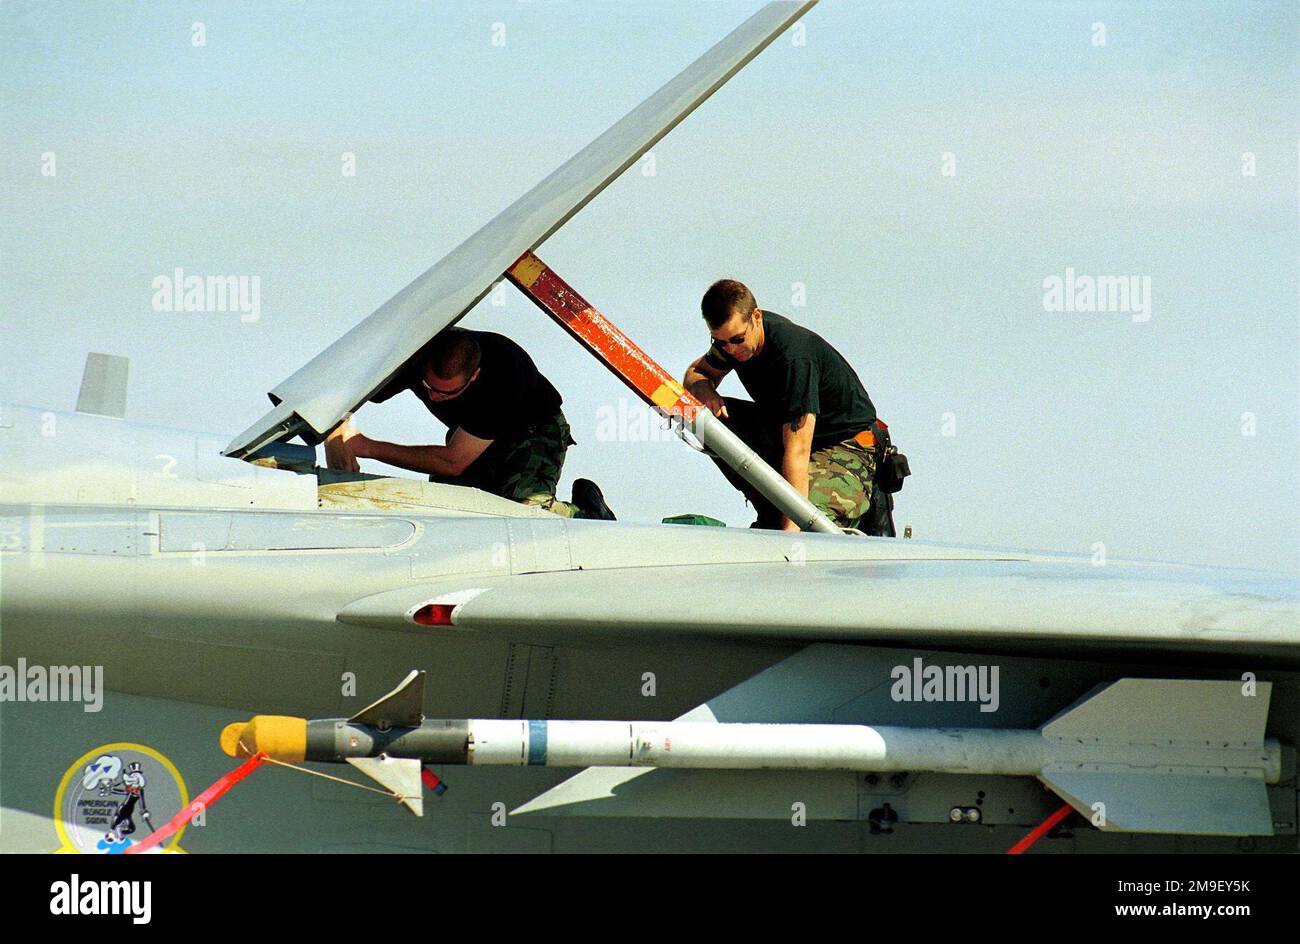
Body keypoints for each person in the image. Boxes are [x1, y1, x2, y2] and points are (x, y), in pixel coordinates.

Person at [325, 327, 614, 519]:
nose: (435, 397)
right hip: (470, 434)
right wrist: (334, 432)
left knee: (526, 512)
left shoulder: (507, 373)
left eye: (446, 392)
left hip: (533, 431)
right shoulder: (414, 358)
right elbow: (344, 385)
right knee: (450, 508)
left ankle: (586, 515)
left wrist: (364, 446)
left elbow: (453, 462)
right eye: (428, 387)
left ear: (473, 377)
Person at [682, 279, 890, 533]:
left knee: (812, 525)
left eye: (736, 339)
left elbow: (798, 451)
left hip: (846, 447)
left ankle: (781, 520)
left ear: (756, 317)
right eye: (720, 342)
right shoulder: (731, 344)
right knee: (700, 417)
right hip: (785, 433)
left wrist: (791, 540)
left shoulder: (794, 358)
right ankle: (771, 509)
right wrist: (705, 390)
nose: (730, 350)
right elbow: (696, 373)